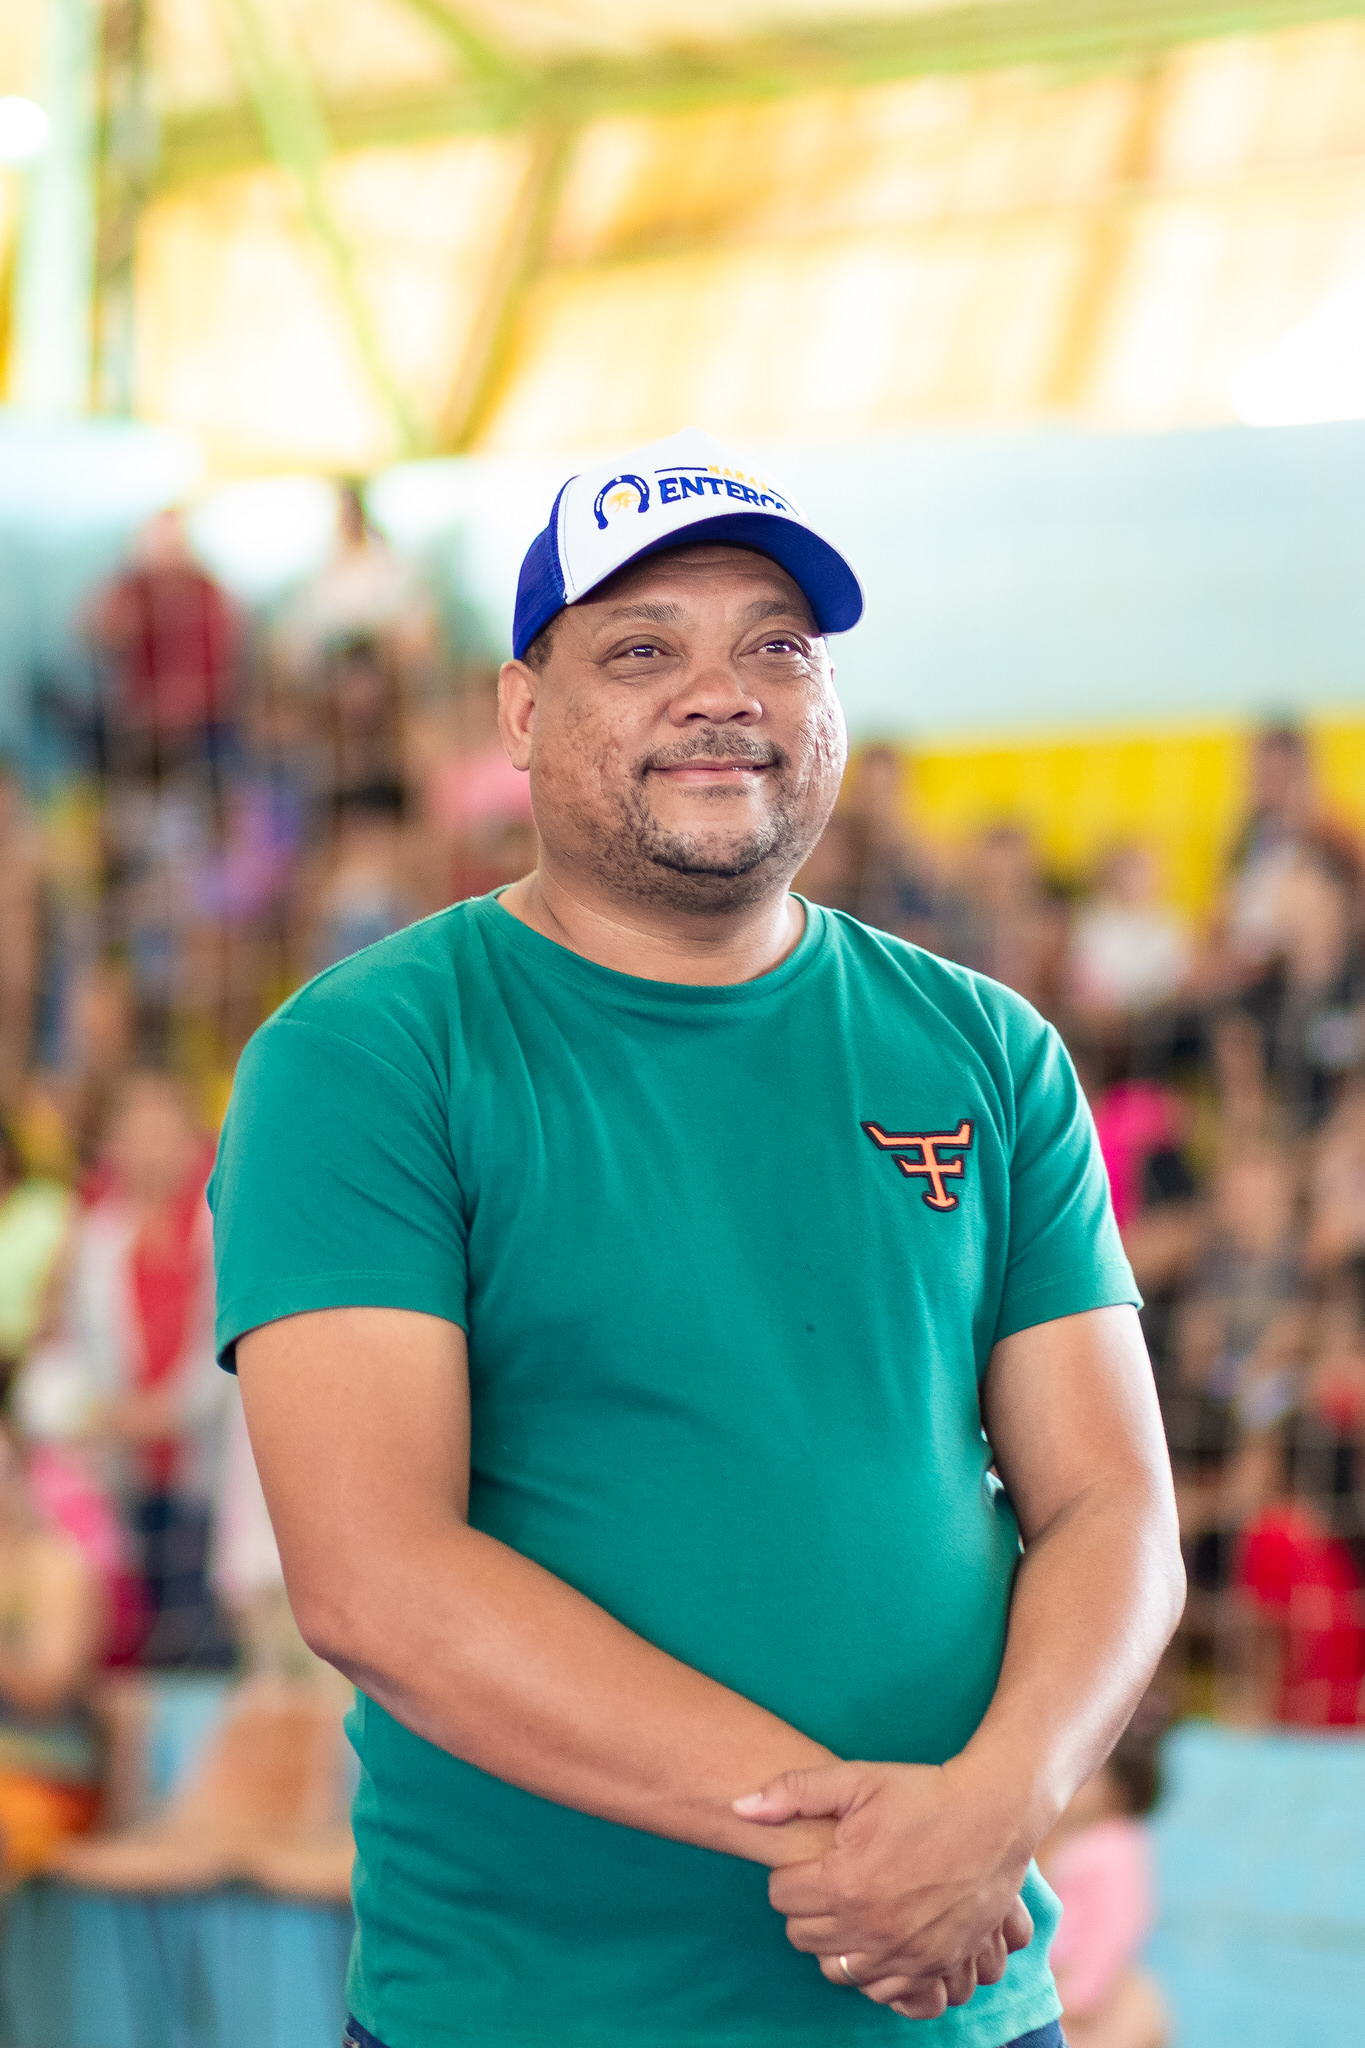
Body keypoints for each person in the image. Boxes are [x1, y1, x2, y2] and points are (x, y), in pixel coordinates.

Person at [212, 427, 1184, 2048]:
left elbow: (1114, 1504)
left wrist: (1000, 1805)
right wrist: (866, 1848)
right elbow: (379, 1580)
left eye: (776, 647)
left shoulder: (987, 1048)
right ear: (522, 712)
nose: (721, 693)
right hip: (536, 2014)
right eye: (643, 650)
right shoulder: (370, 1053)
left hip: (962, 2000)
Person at [1037, 1708, 1169, 2048]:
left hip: (1080, 1997)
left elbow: (1115, 1924)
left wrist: (1082, 1994)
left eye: (1088, 1773)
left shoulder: (1110, 1845)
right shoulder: (1088, 1841)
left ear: (1119, 1790)